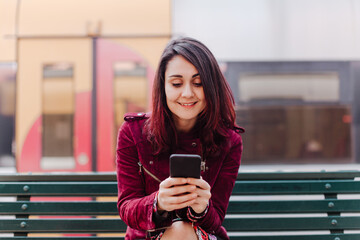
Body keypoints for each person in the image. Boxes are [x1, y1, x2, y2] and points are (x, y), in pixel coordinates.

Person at [116, 37, 244, 240]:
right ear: (163, 86)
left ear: (211, 87)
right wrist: (158, 202)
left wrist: (202, 208)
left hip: (201, 235)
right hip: (147, 236)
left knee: (182, 230)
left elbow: (216, 219)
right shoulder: (132, 132)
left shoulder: (229, 140)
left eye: (198, 83)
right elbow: (127, 207)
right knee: (179, 231)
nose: (187, 93)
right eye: (176, 83)